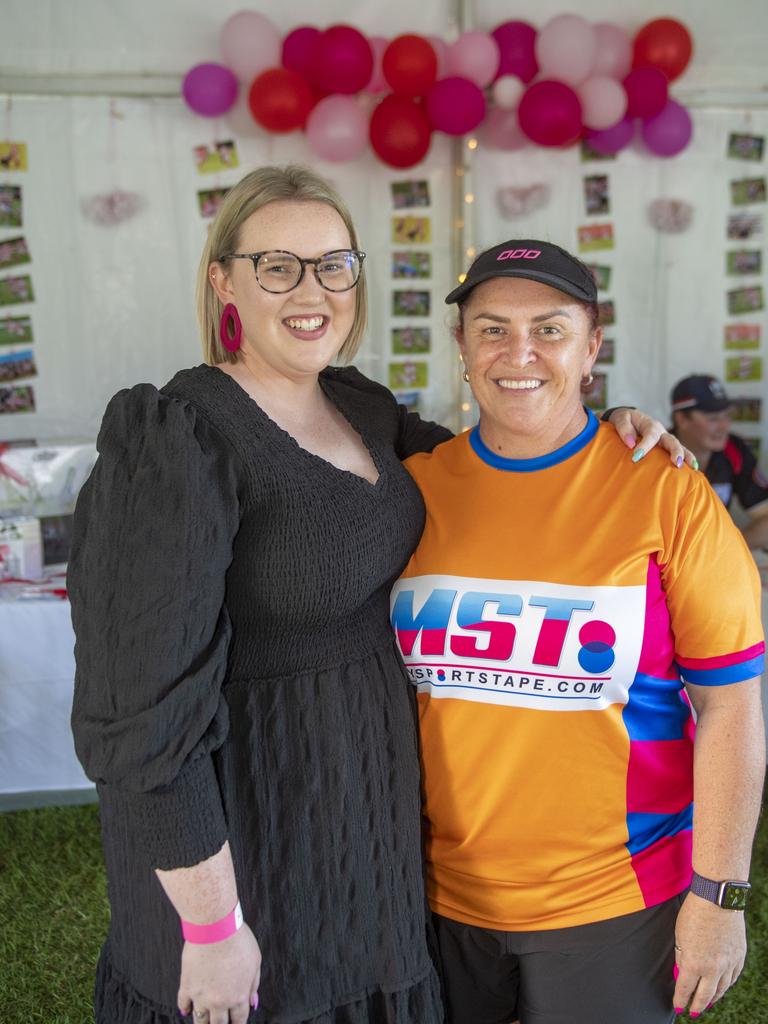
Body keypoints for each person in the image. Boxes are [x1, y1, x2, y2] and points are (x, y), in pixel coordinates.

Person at [69, 170, 690, 1024]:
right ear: (224, 280)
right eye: (278, 266)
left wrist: (603, 417)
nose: (312, 290)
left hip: (371, 848)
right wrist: (212, 927)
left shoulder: (361, 409)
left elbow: (498, 464)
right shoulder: (180, 438)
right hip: (252, 845)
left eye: (334, 265)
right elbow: (136, 716)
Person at [391, 239, 766, 1024]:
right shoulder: (410, 492)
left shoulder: (669, 494)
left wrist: (719, 895)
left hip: (617, 903)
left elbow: (732, 706)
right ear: (460, 346)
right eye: (491, 328)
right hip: (437, 901)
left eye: (549, 329)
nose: (517, 352)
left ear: (592, 346)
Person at [671, 374, 768, 550]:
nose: (724, 426)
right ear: (682, 419)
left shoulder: (735, 450)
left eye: (727, 416)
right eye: (713, 418)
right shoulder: (657, 452)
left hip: (714, 557)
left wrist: (726, 550)